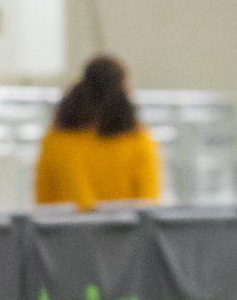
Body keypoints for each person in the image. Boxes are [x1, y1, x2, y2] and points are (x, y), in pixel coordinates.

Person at [34, 55, 160, 211]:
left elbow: (43, 202)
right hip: (123, 232)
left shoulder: (55, 139)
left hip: (69, 231)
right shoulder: (138, 140)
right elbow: (148, 203)